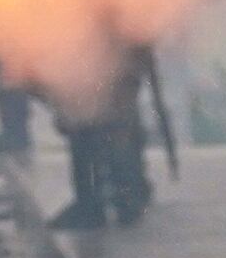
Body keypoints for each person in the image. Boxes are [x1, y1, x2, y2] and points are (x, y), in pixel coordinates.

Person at [53, 36, 164, 231]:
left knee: (91, 119)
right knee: (109, 119)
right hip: (112, 44)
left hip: (100, 45)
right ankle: (126, 193)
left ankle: (101, 202)